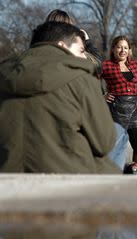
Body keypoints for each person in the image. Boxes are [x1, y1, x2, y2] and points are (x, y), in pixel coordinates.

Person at [0, 21, 120, 173]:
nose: (84, 57)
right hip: (67, 178)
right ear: (62, 46)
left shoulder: (4, 74)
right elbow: (104, 142)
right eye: (81, 50)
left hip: (7, 176)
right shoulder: (81, 79)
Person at [101, 35, 137, 168]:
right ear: (113, 49)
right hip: (115, 112)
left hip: (134, 111)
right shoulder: (106, 65)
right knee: (114, 147)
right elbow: (91, 81)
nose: (122, 50)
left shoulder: (136, 66)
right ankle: (113, 173)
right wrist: (102, 95)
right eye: (119, 47)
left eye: (125, 48)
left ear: (129, 50)